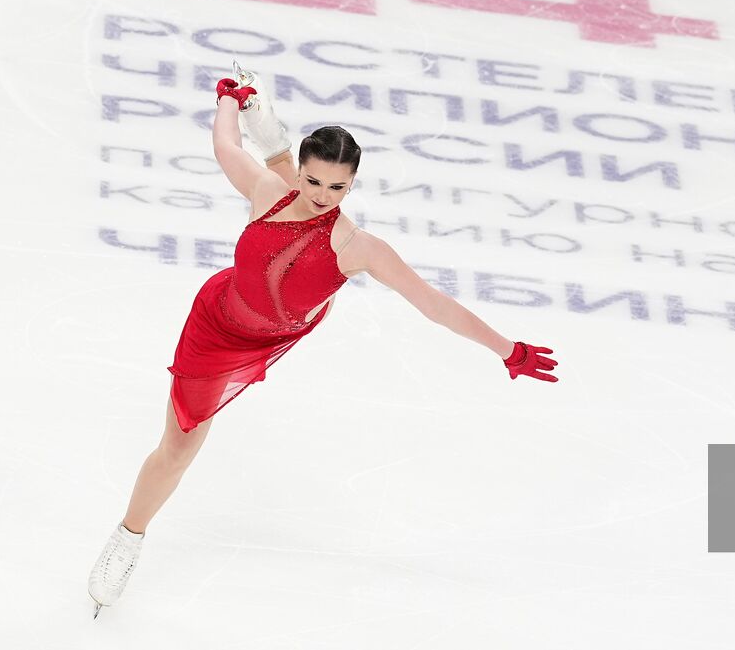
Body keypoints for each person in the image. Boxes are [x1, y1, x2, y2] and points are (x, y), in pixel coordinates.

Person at [87, 66, 559, 619]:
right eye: (313, 182)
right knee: (180, 447)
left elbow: (434, 304)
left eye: (338, 187)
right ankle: (129, 537)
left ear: (352, 185)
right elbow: (221, 146)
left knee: (318, 265)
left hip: (286, 321)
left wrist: (506, 349)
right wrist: (229, 99)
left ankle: (276, 143)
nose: (322, 195)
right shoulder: (270, 191)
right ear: (302, 174)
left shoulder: (360, 246)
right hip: (218, 324)